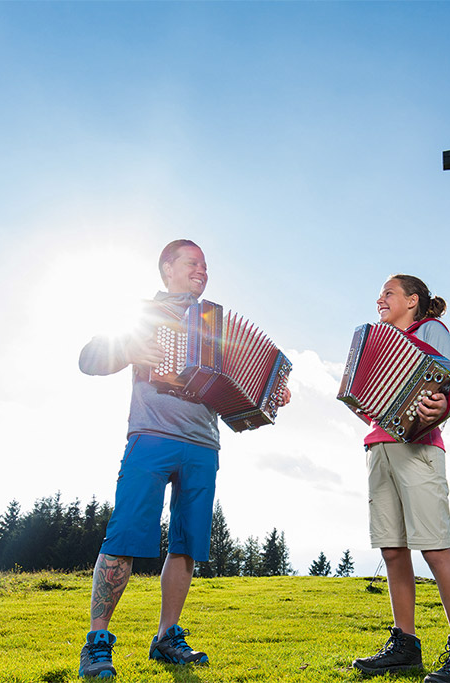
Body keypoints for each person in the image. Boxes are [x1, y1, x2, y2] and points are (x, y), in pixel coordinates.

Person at [76, 239, 289, 679]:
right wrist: (130, 351)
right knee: (126, 535)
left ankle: (166, 636)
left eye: (206, 266)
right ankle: (98, 640)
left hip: (203, 444)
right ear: (167, 268)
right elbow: (88, 359)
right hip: (151, 437)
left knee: (186, 544)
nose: (203, 271)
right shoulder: (139, 313)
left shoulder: (214, 321)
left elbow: (239, 384)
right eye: (194, 263)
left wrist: (272, 394)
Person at [351, 274, 450, 683]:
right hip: (379, 446)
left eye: (387, 293)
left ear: (412, 300)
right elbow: (366, 393)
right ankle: (405, 645)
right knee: (392, 549)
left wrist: (442, 404)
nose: (380, 300)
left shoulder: (430, 330)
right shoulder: (381, 341)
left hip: (420, 448)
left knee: (434, 547)